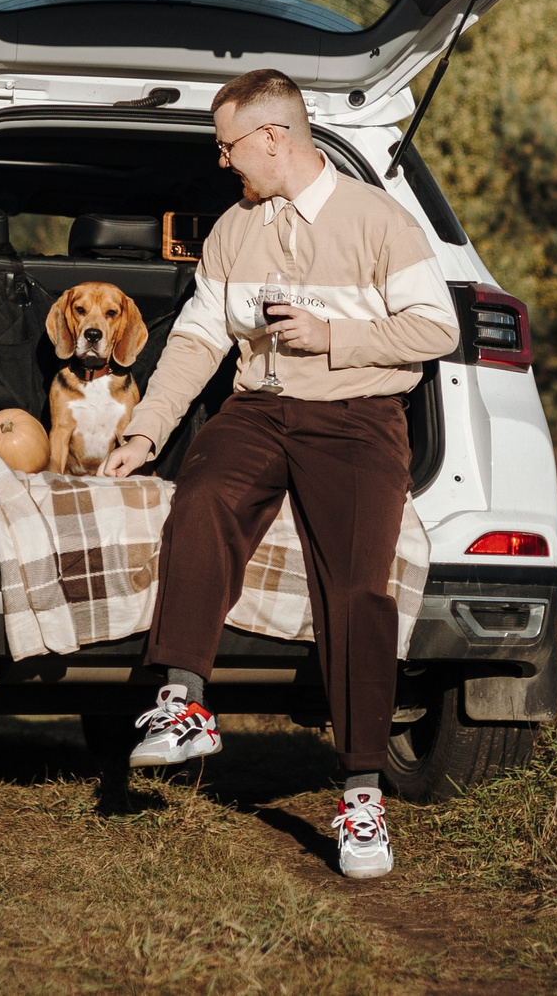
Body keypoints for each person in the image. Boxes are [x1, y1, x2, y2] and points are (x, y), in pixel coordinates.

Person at [97, 67, 460, 879]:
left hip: (359, 417)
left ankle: (361, 793)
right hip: (259, 409)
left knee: (360, 589)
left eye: (228, 146)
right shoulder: (232, 231)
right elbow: (197, 339)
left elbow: (437, 327)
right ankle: (183, 699)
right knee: (202, 498)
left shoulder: (379, 221)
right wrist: (149, 429)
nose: (223, 162)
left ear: (273, 137)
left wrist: (332, 337)